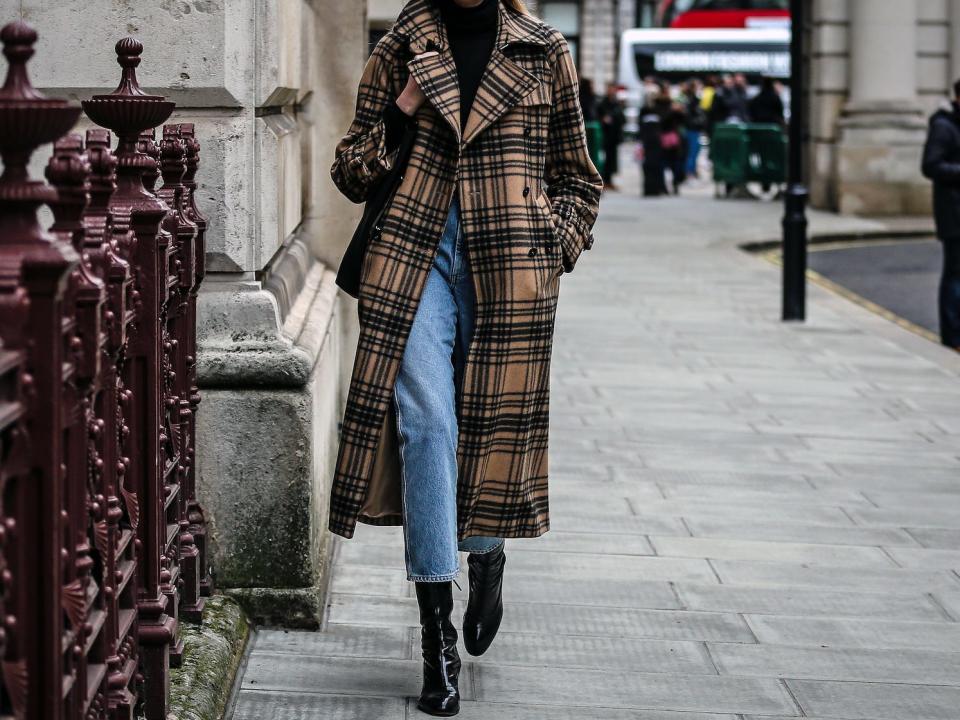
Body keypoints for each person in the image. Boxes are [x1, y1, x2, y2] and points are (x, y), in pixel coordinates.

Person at [329, 0, 602, 715]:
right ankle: (435, 637)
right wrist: (402, 109)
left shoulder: (545, 51)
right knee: (427, 422)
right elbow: (352, 171)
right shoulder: (402, 45)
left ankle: (486, 554)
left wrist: (552, 250)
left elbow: (578, 175)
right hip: (413, 256)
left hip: (508, 263)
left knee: (487, 425)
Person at [921, 78, 960, 349]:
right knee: (955, 275)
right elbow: (930, 166)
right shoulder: (944, 127)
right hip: (954, 213)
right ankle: (952, 336)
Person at [597, 81, 626, 190]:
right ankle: (604, 180)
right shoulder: (603, 103)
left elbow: (622, 118)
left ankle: (609, 181)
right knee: (604, 159)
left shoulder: (616, 103)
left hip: (614, 135)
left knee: (612, 159)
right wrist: (603, 119)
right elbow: (598, 116)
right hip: (606, 135)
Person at [681, 79, 706, 178]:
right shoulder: (691, 100)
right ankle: (689, 172)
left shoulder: (693, 99)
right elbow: (690, 116)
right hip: (691, 129)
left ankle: (692, 171)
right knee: (691, 152)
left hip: (694, 129)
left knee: (695, 151)